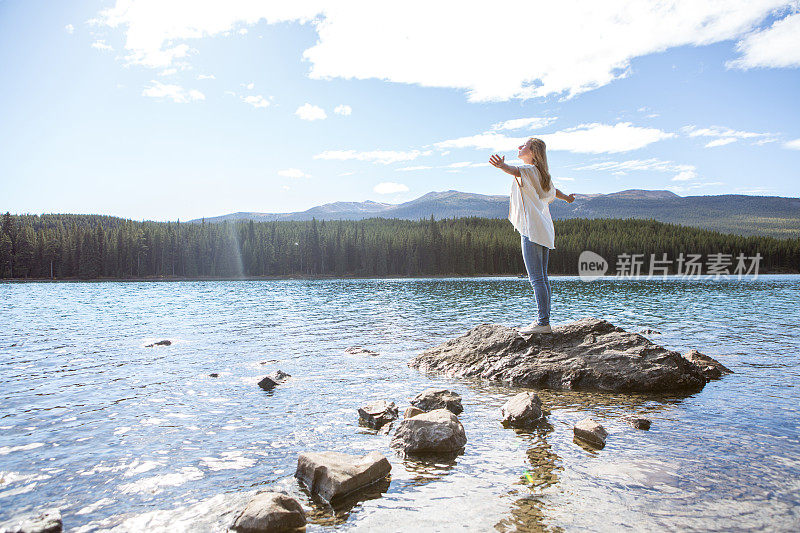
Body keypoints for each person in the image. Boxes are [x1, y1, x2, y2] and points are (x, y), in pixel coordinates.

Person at [489, 137, 575, 334]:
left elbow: (514, 170)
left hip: (532, 230)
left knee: (536, 279)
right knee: (542, 278)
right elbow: (555, 192)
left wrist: (502, 166)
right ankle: (544, 320)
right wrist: (568, 198)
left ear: (534, 152)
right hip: (544, 229)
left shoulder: (527, 170)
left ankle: (543, 322)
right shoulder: (543, 174)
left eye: (524, 146)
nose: (520, 147)